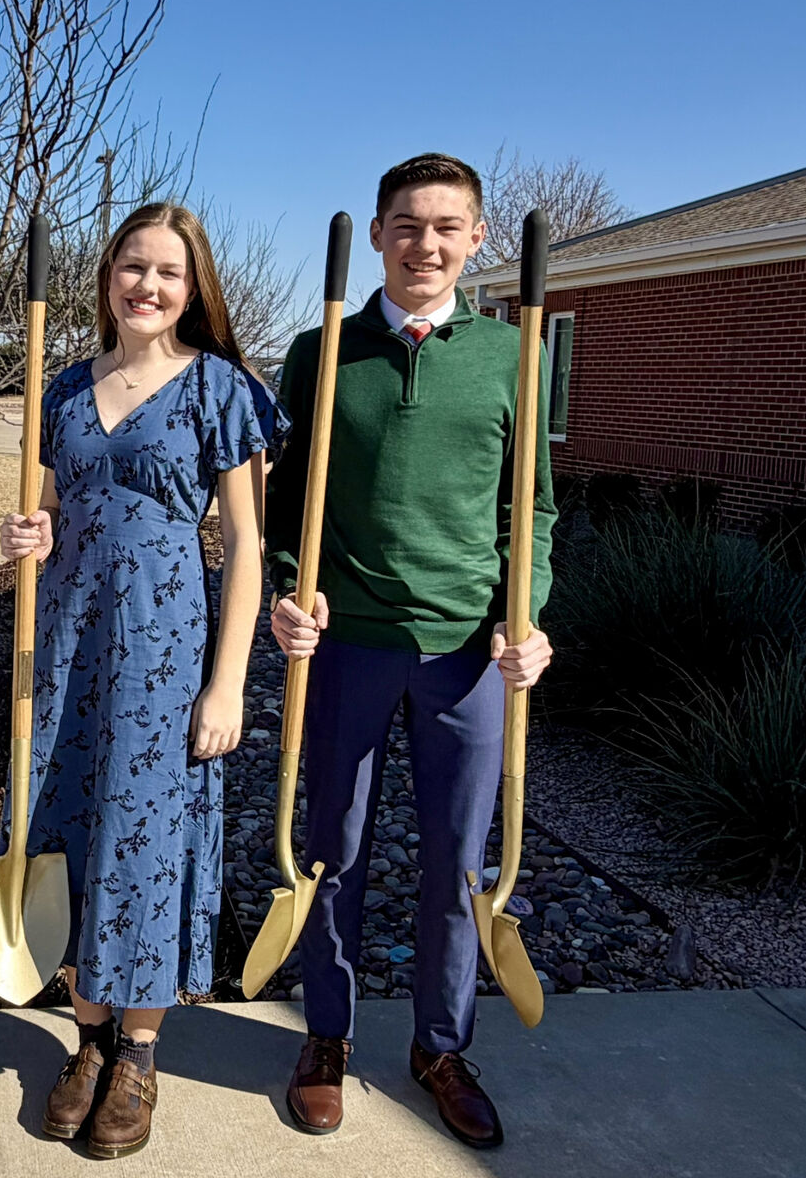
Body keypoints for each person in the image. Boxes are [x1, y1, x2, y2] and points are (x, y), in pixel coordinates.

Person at [265, 153, 557, 1150]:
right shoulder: (321, 350)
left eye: (444, 226)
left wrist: (527, 615)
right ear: (379, 233)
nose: (424, 245)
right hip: (347, 644)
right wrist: (287, 589)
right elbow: (284, 503)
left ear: (476, 238)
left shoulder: (514, 354)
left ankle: (440, 1047)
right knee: (331, 851)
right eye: (405, 224)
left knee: (457, 864)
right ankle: (327, 1036)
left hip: (466, 653)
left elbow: (533, 510)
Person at [0, 202, 288, 1159]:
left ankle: (137, 1053)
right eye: (132, 267)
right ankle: (85, 1039)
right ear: (107, 277)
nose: (147, 286)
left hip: (165, 658)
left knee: (148, 844)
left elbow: (245, 546)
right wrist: (23, 534)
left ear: (192, 288)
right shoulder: (63, 389)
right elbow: (43, 514)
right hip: (66, 651)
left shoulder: (221, 389)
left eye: (168, 271)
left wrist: (226, 683)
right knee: (67, 830)